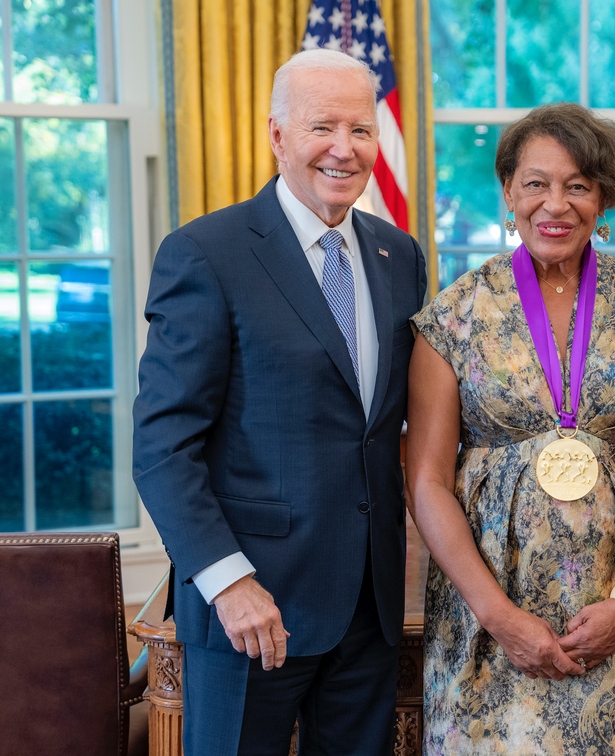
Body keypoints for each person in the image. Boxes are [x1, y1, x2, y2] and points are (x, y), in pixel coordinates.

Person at [131, 49, 427, 755]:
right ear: (277, 135)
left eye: (361, 130)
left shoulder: (399, 255)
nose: (344, 148)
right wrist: (229, 583)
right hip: (250, 605)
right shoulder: (207, 253)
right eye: (323, 126)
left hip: (369, 606)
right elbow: (163, 447)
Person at [405, 102, 615, 755]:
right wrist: (498, 617)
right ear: (508, 192)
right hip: (484, 621)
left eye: (577, 185)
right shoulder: (452, 317)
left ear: (604, 198)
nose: (555, 203)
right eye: (535, 183)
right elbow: (425, 479)